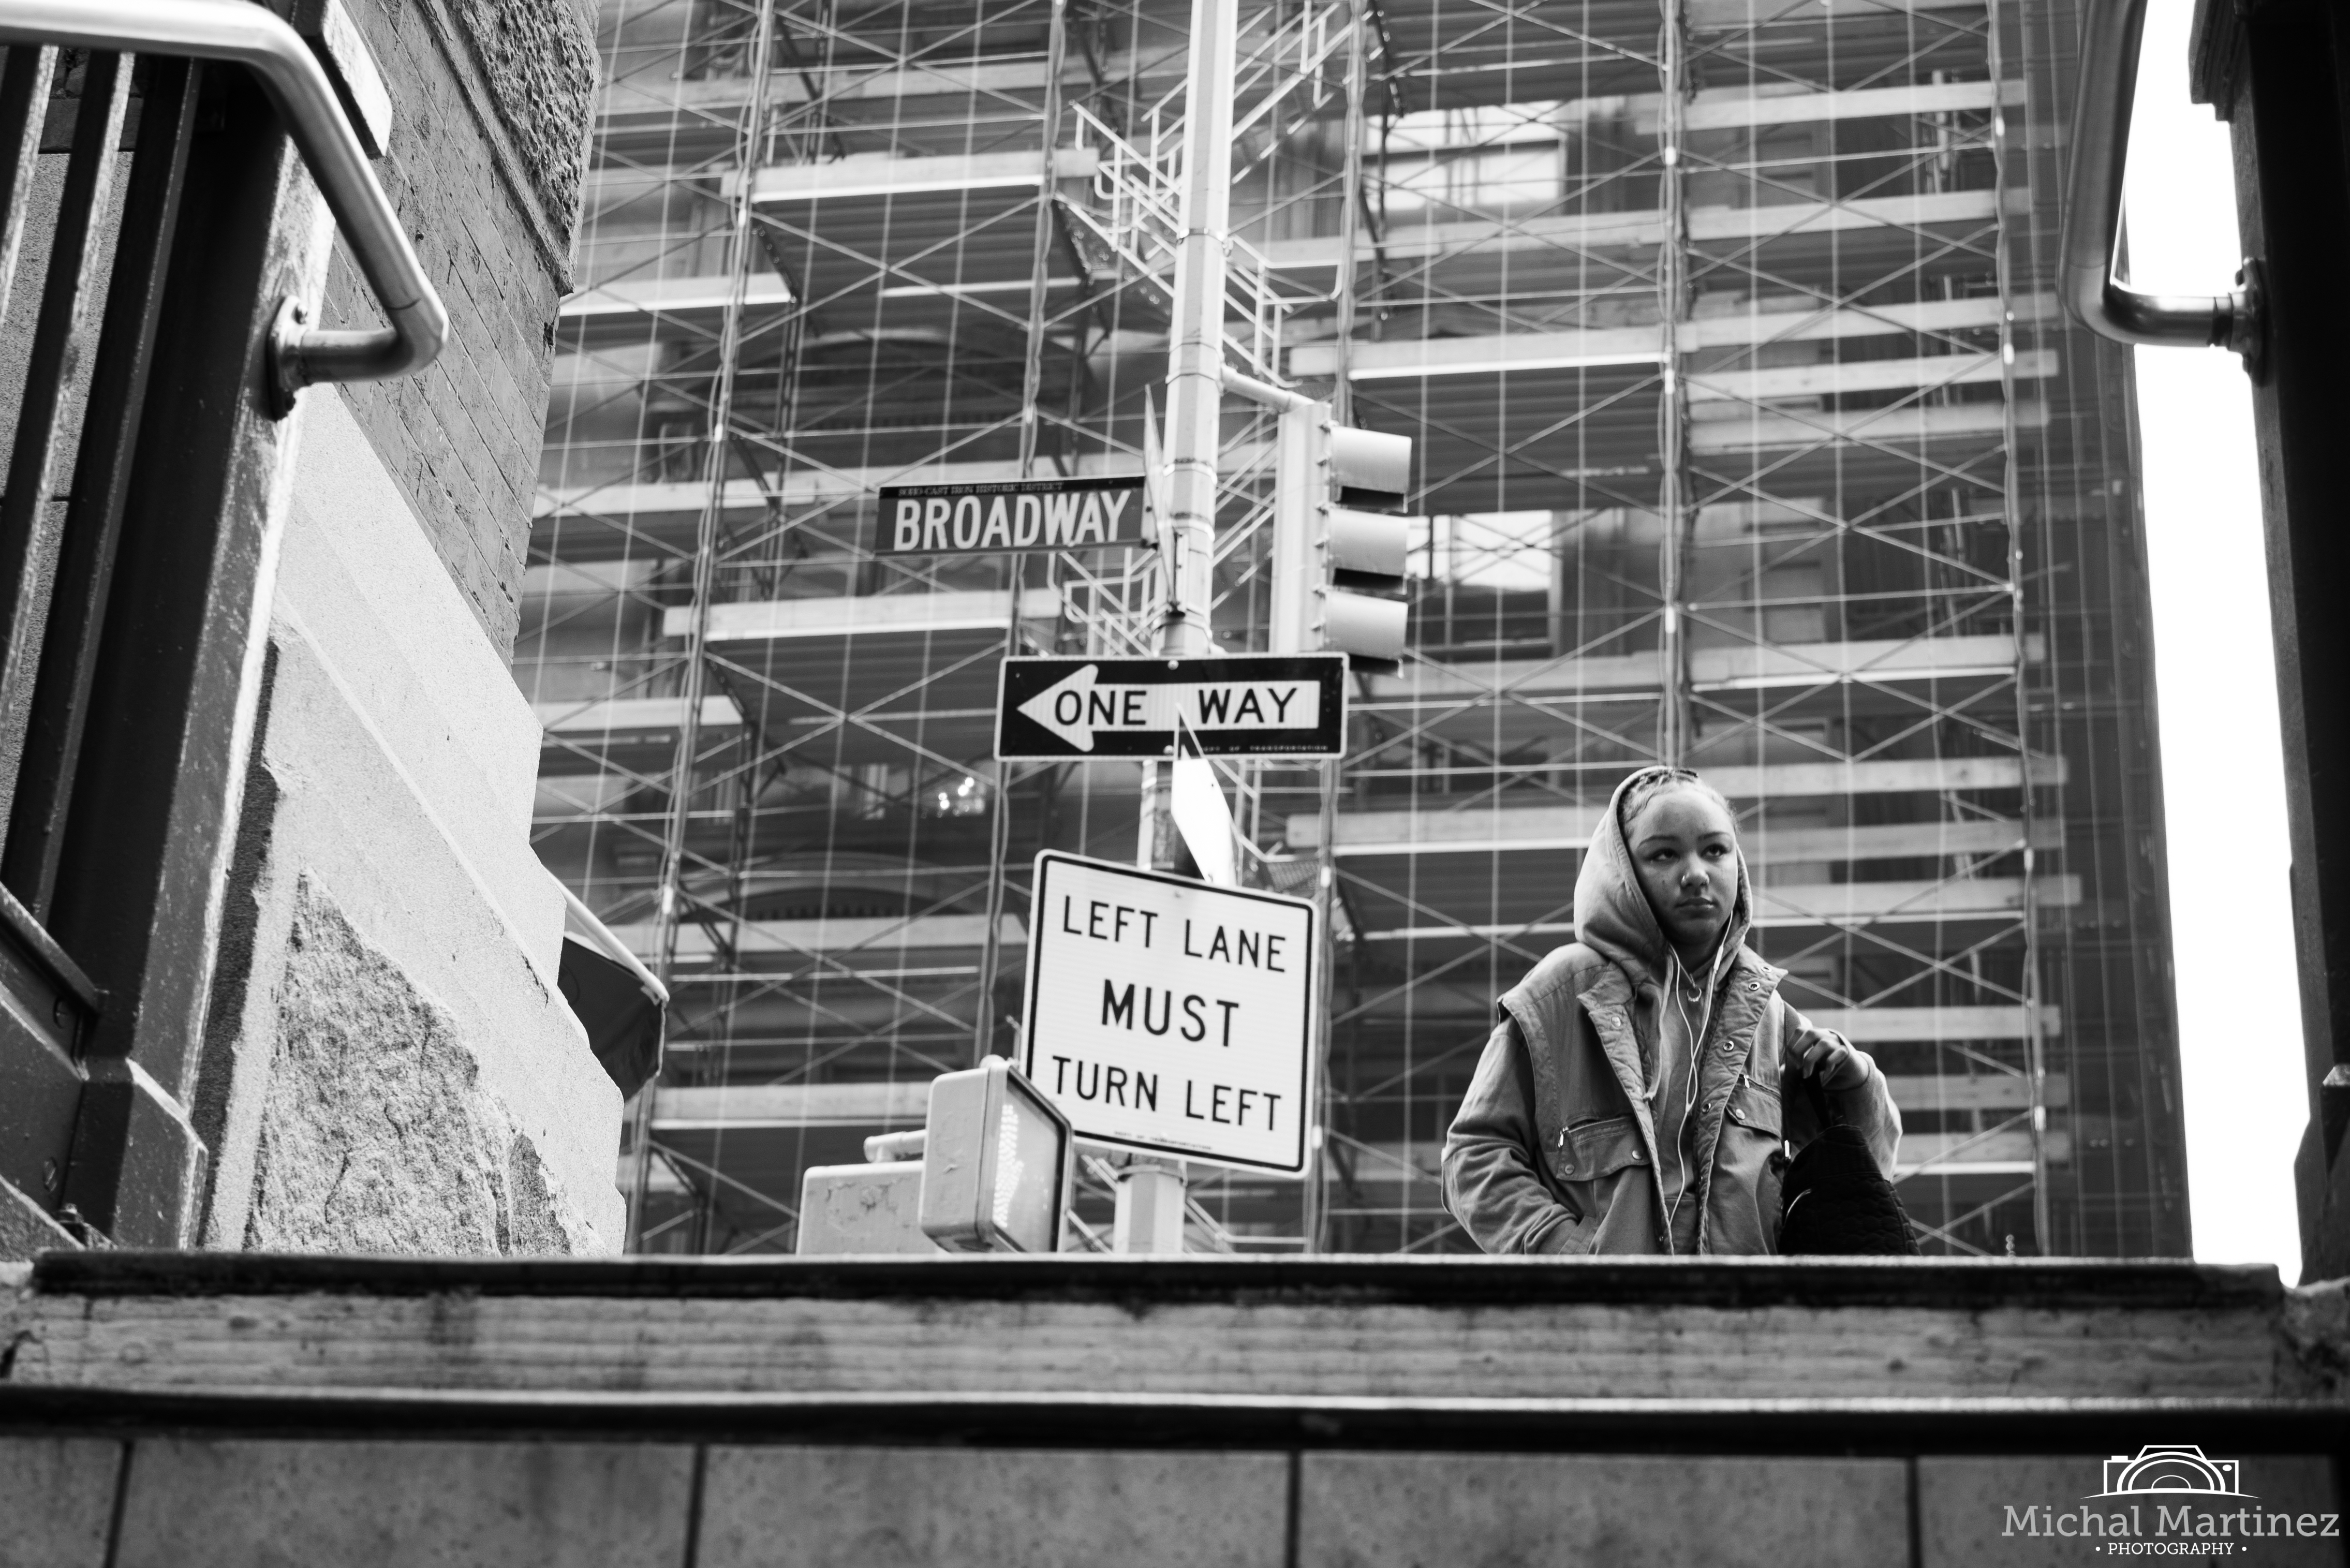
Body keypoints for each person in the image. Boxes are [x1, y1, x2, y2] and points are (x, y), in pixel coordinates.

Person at [1441, 764, 1901, 1254]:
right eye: (1663, 854)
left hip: (1746, 1320)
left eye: (1715, 850)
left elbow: (1864, 1174)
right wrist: (1566, 1254)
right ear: (1623, 873)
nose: (1695, 874)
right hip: (1605, 1320)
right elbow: (1472, 1159)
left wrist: (1855, 1083)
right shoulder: (1561, 994)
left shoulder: (1766, 1009)